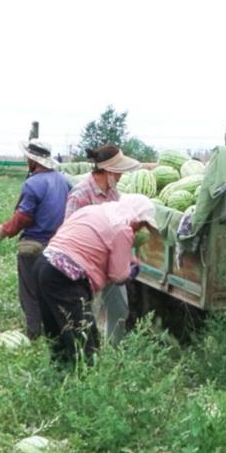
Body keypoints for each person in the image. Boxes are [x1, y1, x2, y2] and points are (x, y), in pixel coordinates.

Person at [35, 194, 159, 366]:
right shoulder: (123, 229)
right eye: (143, 223)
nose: (140, 229)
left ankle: (58, 379)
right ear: (137, 216)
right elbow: (118, 276)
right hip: (66, 276)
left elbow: (93, 241)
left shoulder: (93, 211)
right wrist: (132, 271)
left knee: (58, 333)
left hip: (45, 264)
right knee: (86, 341)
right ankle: (85, 384)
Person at [0, 139, 73, 339]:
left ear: (33, 160)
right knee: (51, 289)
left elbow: (24, 217)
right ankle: (54, 330)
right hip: (58, 244)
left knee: (30, 290)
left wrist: (4, 230)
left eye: (28, 157)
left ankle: (34, 331)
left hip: (35, 244)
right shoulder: (64, 181)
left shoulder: (33, 183)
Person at [64, 144, 141, 343]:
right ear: (108, 172)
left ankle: (112, 352)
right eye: (119, 173)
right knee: (88, 314)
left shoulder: (115, 195)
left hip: (111, 266)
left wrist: (128, 259)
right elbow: (69, 235)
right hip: (89, 267)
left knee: (119, 309)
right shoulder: (80, 195)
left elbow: (120, 231)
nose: (121, 177)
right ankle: (88, 354)